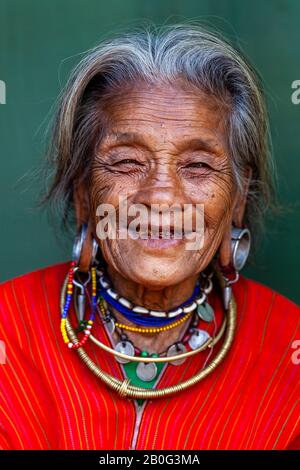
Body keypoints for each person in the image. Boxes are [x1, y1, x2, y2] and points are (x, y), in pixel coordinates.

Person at [0, 24, 299, 450]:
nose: (160, 196)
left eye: (198, 166)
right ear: (84, 193)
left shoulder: (289, 351)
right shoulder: (8, 332)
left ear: (235, 200)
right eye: (125, 162)